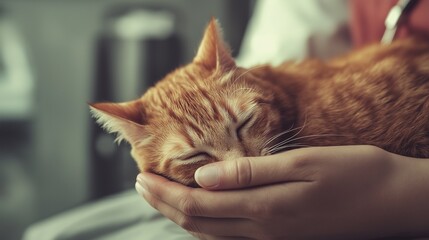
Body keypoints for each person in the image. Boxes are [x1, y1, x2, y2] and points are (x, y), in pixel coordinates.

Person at [135, 0, 429, 239]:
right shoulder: (256, 93)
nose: (240, 160)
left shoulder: (333, 118)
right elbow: (287, 40)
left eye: (245, 123)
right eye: (194, 155)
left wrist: (401, 193)